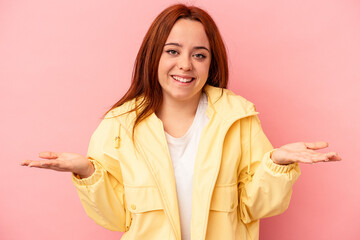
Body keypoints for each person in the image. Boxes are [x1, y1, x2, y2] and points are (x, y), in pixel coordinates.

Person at [21, 3, 342, 240]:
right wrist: (87, 172)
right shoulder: (118, 125)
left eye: (199, 55)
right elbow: (118, 219)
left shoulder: (239, 117)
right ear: (153, 56)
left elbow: (255, 208)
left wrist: (277, 163)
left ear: (211, 62)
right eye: (172, 51)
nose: (185, 65)